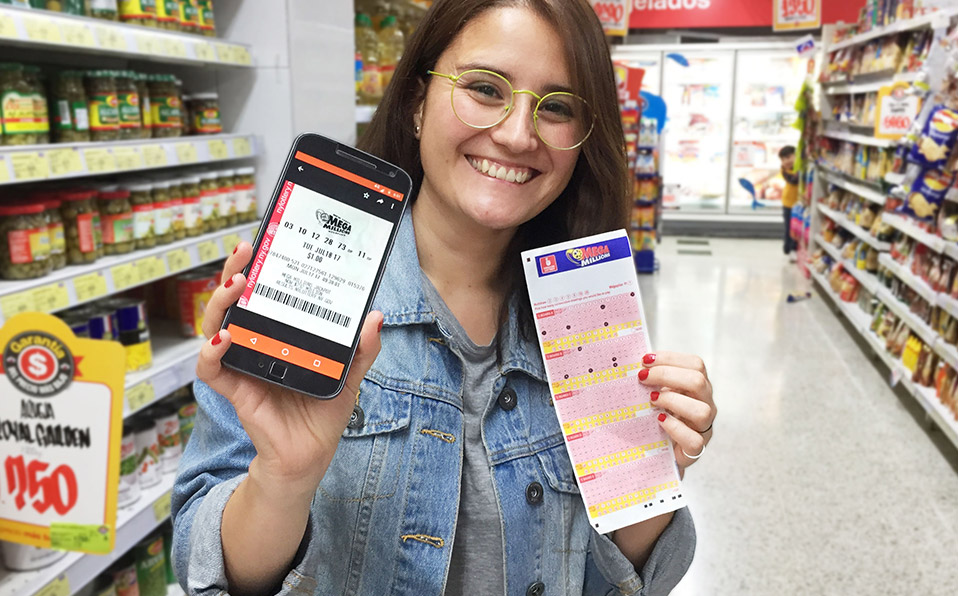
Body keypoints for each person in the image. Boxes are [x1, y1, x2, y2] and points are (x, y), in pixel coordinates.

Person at [171, 1, 717, 595]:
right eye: (485, 89)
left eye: (557, 107)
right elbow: (204, 565)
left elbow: (610, 583)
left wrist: (646, 473)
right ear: (417, 102)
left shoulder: (586, 315)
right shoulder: (306, 276)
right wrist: (283, 481)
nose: (517, 134)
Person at [779, 145, 799, 261]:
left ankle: (793, 248)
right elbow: (794, 180)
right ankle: (788, 248)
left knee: (796, 228)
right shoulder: (784, 170)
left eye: (788, 157)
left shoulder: (800, 167)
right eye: (783, 159)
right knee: (789, 228)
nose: (786, 161)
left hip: (799, 204)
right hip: (788, 203)